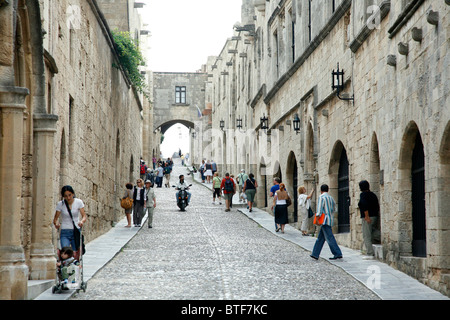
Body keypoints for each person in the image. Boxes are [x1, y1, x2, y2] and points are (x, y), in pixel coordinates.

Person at [310, 184, 343, 260]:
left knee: (329, 237)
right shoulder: (331, 198)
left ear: (321, 190)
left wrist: (317, 219)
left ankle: (337, 253)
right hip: (330, 219)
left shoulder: (322, 197)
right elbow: (335, 209)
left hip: (324, 220)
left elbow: (319, 209)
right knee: (320, 238)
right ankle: (315, 254)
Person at [53, 185, 87, 258]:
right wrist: (56, 223)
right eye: (65, 196)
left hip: (76, 231)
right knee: (64, 253)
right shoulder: (60, 204)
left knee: (75, 253)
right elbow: (55, 219)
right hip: (65, 231)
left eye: (69, 195)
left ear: (73, 194)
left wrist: (82, 221)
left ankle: (75, 267)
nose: (68, 198)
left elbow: (84, 216)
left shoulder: (79, 202)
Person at [358, 180, 380, 257]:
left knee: (366, 235)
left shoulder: (363, 195)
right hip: (374, 216)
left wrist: (366, 216)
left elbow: (364, 205)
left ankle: (370, 253)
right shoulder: (373, 195)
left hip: (367, 217)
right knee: (372, 232)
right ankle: (382, 237)